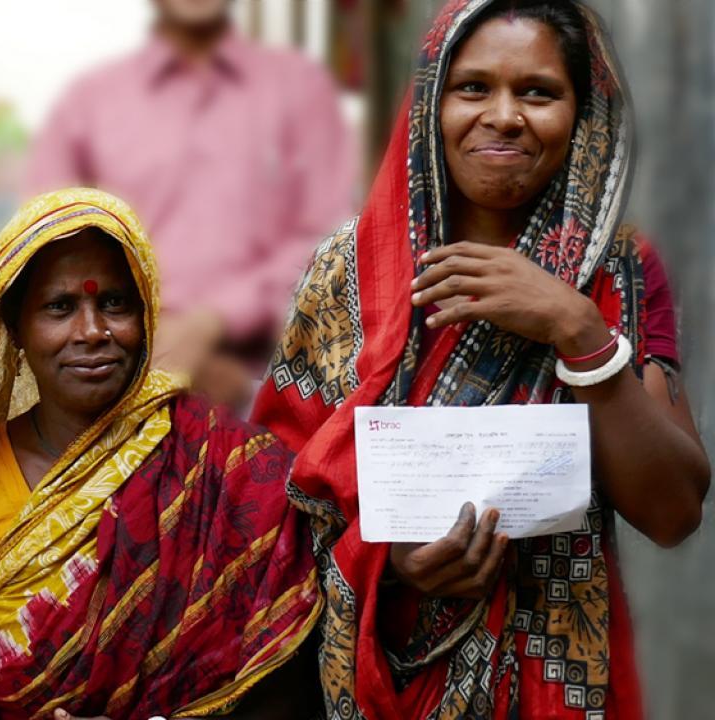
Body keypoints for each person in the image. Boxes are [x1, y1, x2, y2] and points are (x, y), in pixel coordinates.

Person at [250, 1, 710, 717]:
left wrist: (575, 326)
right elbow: (277, 508)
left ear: (583, 112)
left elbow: (675, 510)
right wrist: (390, 567)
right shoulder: (348, 273)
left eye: (538, 91)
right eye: (472, 88)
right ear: (431, 102)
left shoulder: (615, 270)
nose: (503, 115)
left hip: (559, 683)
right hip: (384, 682)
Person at [0, 189, 322, 719]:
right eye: (60, 307)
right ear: (15, 329)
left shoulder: (227, 464)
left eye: (114, 304)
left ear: (144, 315)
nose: (93, 332)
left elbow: (285, 662)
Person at [26, 0, 356, 401]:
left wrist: (213, 322)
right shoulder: (88, 103)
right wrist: (143, 341)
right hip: (116, 378)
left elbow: (330, 238)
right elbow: (44, 246)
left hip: (270, 383)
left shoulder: (300, 89)